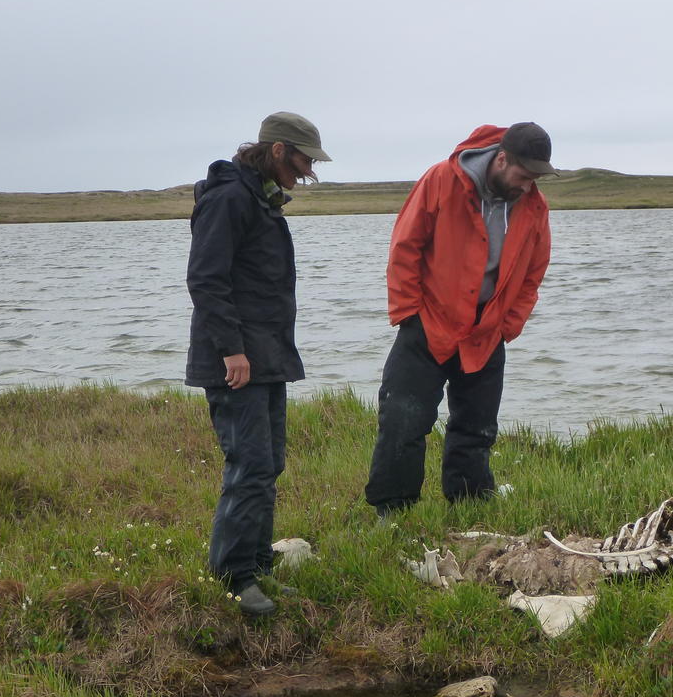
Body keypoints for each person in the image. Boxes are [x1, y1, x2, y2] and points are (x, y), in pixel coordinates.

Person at [365, 122, 555, 517]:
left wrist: (508, 325)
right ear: (502, 159)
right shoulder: (440, 180)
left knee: (477, 427)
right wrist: (407, 313)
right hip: (427, 325)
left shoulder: (535, 205)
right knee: (403, 420)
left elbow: (534, 272)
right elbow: (405, 247)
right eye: (524, 175)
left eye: (536, 178)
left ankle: (469, 503)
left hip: (487, 332)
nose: (528, 185)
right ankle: (392, 511)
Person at [185, 111, 332, 616]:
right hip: (236, 361)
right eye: (303, 159)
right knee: (248, 465)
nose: (308, 171)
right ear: (276, 150)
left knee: (270, 464)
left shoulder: (260, 197)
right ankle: (233, 577)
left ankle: (257, 564)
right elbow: (206, 279)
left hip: (265, 356)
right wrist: (231, 350)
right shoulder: (229, 198)